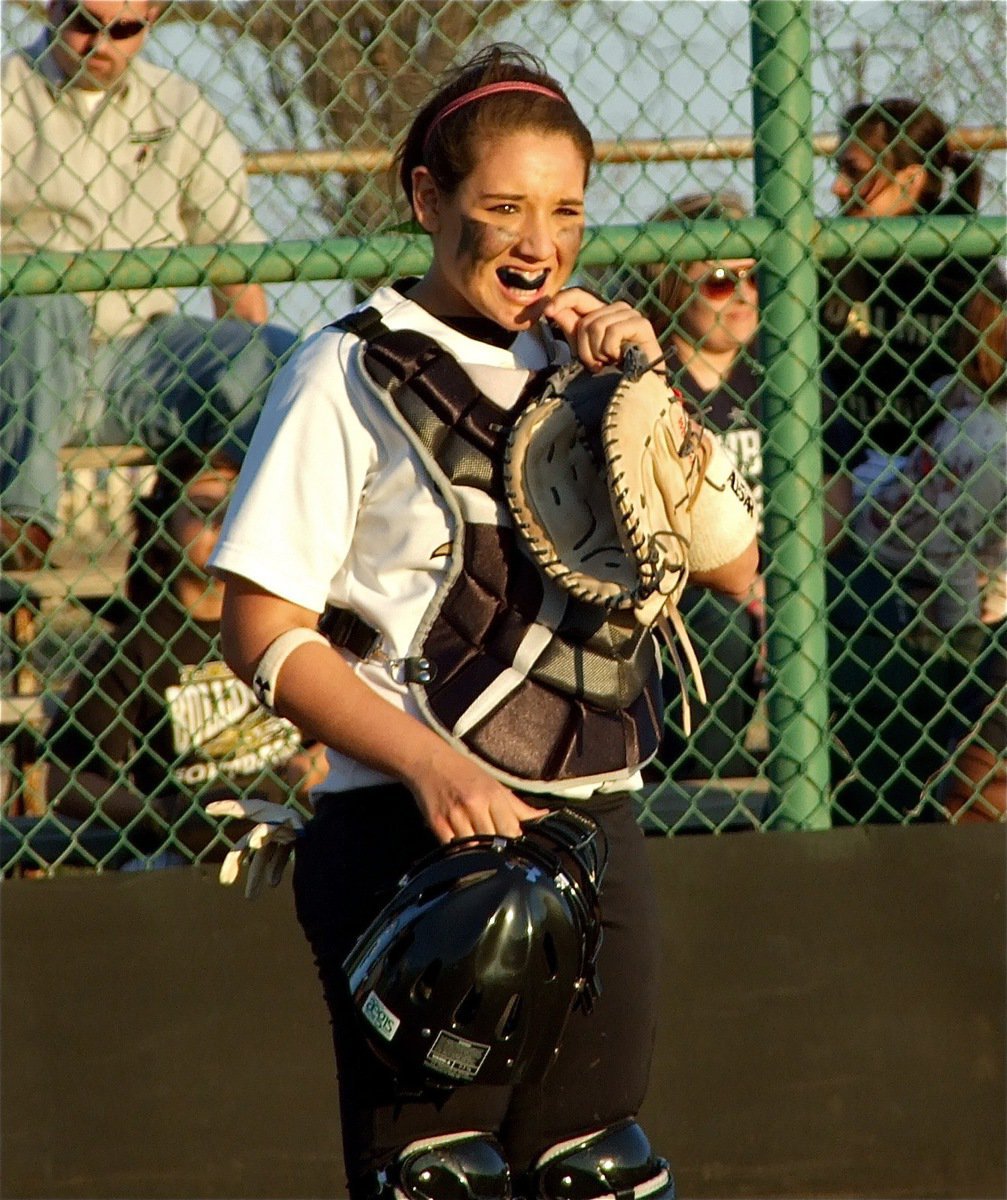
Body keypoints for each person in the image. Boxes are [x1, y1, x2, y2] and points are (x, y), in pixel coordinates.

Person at [208, 45, 758, 1199]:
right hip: (410, 829)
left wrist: (641, 376)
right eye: (500, 206)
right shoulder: (344, 370)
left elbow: (729, 560)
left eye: (564, 211)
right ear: (426, 199)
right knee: (440, 1176)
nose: (536, 241)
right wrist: (423, 765)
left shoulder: (592, 369)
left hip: (589, 814)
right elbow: (257, 628)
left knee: (595, 1167)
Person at [0, 0, 297, 570]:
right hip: (23, 356)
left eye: (125, 29)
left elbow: (230, 252)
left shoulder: (181, 107)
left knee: (277, 356)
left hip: (138, 354)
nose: (101, 46)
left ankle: (264, 536)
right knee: (43, 299)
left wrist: (247, 367)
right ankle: (21, 526)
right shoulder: (9, 93)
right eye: (86, 23)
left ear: (152, 21)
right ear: (54, 9)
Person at [43, 447, 327, 866]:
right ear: (163, 527)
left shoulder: (288, 619)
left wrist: (311, 767)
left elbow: (330, 733)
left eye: (236, 508)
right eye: (203, 509)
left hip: (290, 828)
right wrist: (164, 815)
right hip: (184, 848)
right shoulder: (139, 643)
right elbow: (65, 781)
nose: (222, 522)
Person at [829, 267, 1006, 823]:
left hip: (950, 610)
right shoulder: (973, 426)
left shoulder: (979, 431)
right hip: (950, 605)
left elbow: (922, 538)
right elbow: (935, 538)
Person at [623, 192, 765, 782]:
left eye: (757, 280)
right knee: (721, 625)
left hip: (776, 578)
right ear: (675, 290)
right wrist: (737, 582)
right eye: (719, 282)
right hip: (692, 586)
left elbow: (830, 503)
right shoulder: (649, 387)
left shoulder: (783, 371)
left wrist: (771, 583)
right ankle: (713, 795)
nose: (744, 296)